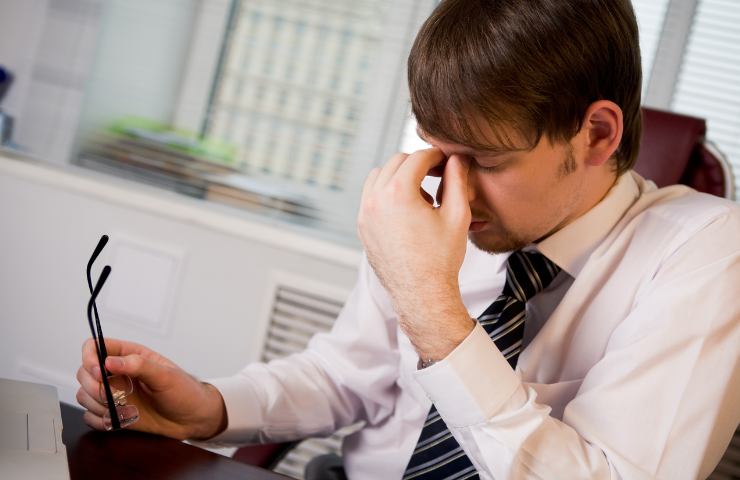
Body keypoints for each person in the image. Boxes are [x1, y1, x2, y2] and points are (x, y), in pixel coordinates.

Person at [76, 0, 740, 478]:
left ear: (597, 133)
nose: (456, 191)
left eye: (483, 158)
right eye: (436, 151)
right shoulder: (436, 213)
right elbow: (347, 376)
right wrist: (210, 408)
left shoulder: (707, 253)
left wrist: (429, 302)